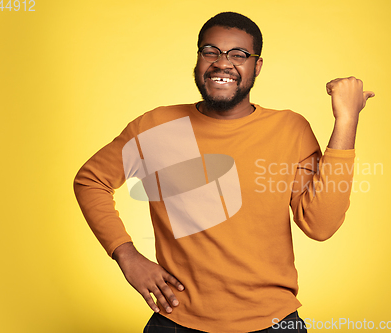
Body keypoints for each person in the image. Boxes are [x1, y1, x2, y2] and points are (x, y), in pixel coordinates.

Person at [74, 11, 374, 333]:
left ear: (256, 67)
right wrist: (127, 255)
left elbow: (320, 225)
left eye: (238, 55)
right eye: (210, 52)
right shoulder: (156, 126)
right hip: (177, 321)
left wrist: (346, 121)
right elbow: (91, 180)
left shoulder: (289, 129)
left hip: (273, 322)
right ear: (199, 60)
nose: (222, 63)